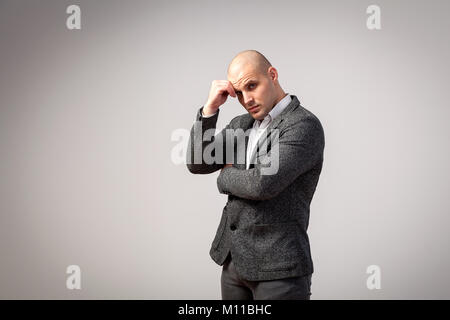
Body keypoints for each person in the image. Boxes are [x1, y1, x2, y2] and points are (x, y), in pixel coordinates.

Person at [186, 50, 325, 300]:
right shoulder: (242, 124)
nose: (247, 99)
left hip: (279, 268)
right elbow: (198, 162)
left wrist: (224, 176)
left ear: (272, 75)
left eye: (252, 86)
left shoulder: (303, 125)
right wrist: (209, 109)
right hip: (233, 262)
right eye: (239, 93)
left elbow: (262, 183)